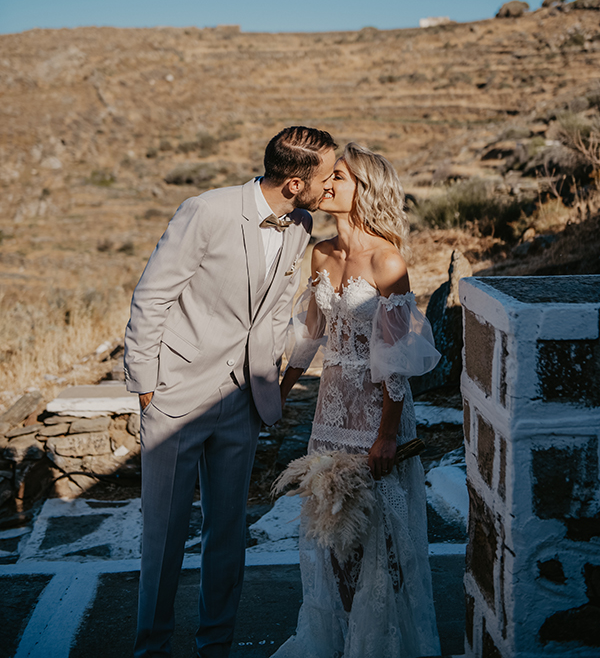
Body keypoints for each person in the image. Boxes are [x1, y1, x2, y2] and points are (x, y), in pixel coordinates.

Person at [123, 126, 337, 658]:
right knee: (164, 538)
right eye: (326, 175)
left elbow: (273, 312)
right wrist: (147, 387)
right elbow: (151, 297)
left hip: (244, 399)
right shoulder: (206, 210)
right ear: (294, 182)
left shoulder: (302, 223)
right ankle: (151, 648)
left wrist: (274, 381)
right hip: (176, 397)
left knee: (228, 535)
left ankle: (215, 645)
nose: (332, 183)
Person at [275, 142, 442, 658]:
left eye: (339, 178)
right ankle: (339, 642)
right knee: (331, 537)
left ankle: (381, 646)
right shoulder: (320, 253)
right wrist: (276, 397)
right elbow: (309, 336)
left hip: (377, 420)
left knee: (381, 540)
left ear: (363, 189)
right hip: (329, 417)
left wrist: (388, 435)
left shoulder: (387, 260)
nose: (327, 185)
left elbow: (395, 362)